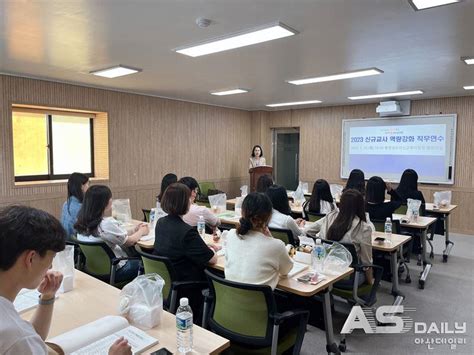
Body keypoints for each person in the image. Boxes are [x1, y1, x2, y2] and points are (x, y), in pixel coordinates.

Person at [0, 205, 131, 355]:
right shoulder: (15, 337)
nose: (50, 267)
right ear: (31, 258)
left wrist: (47, 297)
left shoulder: (15, 332)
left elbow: (32, 339)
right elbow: (23, 340)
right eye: (51, 259)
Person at [153, 183, 219, 322]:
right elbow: (212, 259)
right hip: (188, 283)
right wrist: (212, 249)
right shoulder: (187, 232)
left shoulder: (161, 223)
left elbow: (179, 246)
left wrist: (203, 245)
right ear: (184, 203)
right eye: (189, 199)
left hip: (168, 281)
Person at [75, 185, 149, 282]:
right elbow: (129, 242)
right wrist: (141, 231)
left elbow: (114, 235)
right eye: (110, 198)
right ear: (104, 202)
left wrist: (134, 230)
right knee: (147, 264)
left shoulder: (82, 223)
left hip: (93, 269)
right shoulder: (106, 224)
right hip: (116, 270)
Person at [224, 193, 293, 289]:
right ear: (269, 216)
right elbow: (286, 270)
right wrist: (271, 239)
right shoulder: (276, 245)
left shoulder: (231, 235)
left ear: (242, 212)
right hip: (259, 303)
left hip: (229, 301)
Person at [304, 189, 374, 283]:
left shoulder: (330, 217)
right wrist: (371, 282)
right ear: (361, 206)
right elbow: (366, 263)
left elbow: (307, 231)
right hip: (349, 277)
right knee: (370, 287)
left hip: (325, 272)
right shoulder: (364, 228)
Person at [60, 173, 89, 239]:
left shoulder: (66, 204)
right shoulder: (80, 207)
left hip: (65, 241)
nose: (88, 187)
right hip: (75, 243)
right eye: (87, 184)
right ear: (82, 186)